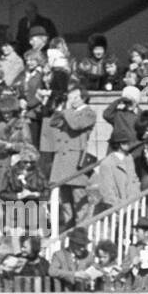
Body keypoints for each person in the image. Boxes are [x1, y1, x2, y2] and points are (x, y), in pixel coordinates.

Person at [46, 83, 97, 224]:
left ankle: (82, 229)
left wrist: (67, 110)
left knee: (78, 198)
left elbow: (76, 125)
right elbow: (53, 122)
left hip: (75, 160)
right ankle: (68, 231)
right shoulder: (68, 113)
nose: (72, 100)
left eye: (75, 97)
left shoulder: (89, 113)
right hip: (62, 160)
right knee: (65, 200)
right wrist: (60, 108)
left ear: (83, 98)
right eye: (70, 97)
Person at [93, 134, 142, 214]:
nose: (129, 144)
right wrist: (118, 207)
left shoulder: (129, 158)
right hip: (117, 210)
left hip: (133, 206)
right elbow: (106, 190)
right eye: (126, 142)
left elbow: (135, 180)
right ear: (120, 145)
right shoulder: (107, 163)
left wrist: (135, 198)